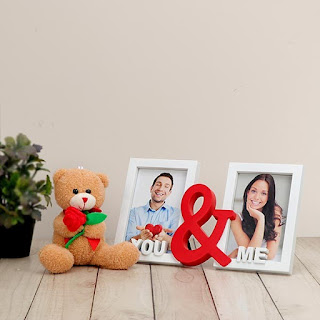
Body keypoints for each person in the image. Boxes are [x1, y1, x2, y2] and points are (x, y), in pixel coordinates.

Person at [229, 174, 283, 261]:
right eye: (253, 191)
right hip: (245, 263)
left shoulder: (275, 213)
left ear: (269, 197)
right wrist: (260, 219)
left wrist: (260, 219)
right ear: (248, 192)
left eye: (264, 193)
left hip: (266, 265)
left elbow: (270, 255)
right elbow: (249, 255)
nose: (257, 197)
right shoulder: (236, 218)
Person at [125, 172, 180, 249]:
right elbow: (125, 243)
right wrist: (140, 237)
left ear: (169, 193)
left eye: (166, 186)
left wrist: (164, 237)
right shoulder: (134, 212)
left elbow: (179, 246)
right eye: (158, 184)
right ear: (151, 188)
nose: (160, 189)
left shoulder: (176, 214)